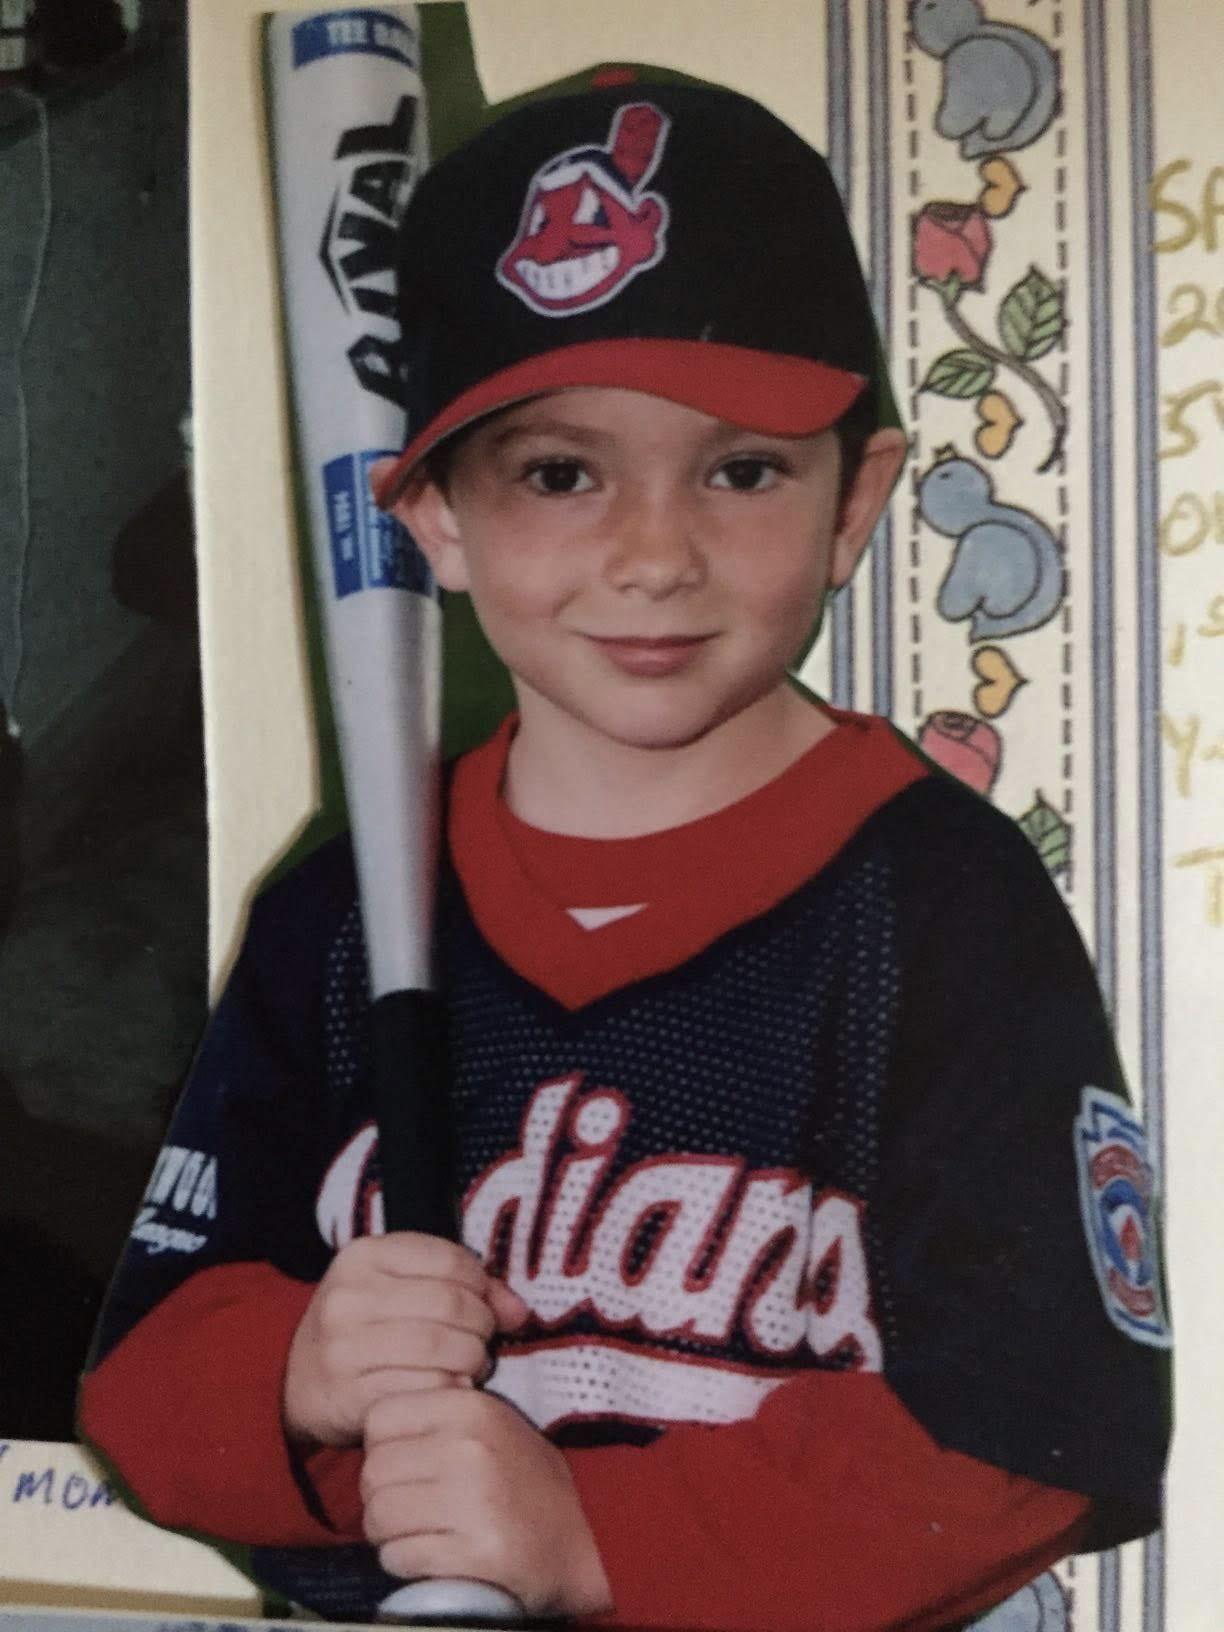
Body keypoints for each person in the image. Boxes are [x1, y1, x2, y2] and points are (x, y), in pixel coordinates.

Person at [78, 69, 1171, 1632]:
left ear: (853, 504)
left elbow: (1037, 1430)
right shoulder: (340, 914)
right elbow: (142, 1378)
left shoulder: (936, 903)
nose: (655, 556)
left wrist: (592, 1534)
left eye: (742, 470)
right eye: (559, 474)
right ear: (434, 520)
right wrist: (296, 1374)